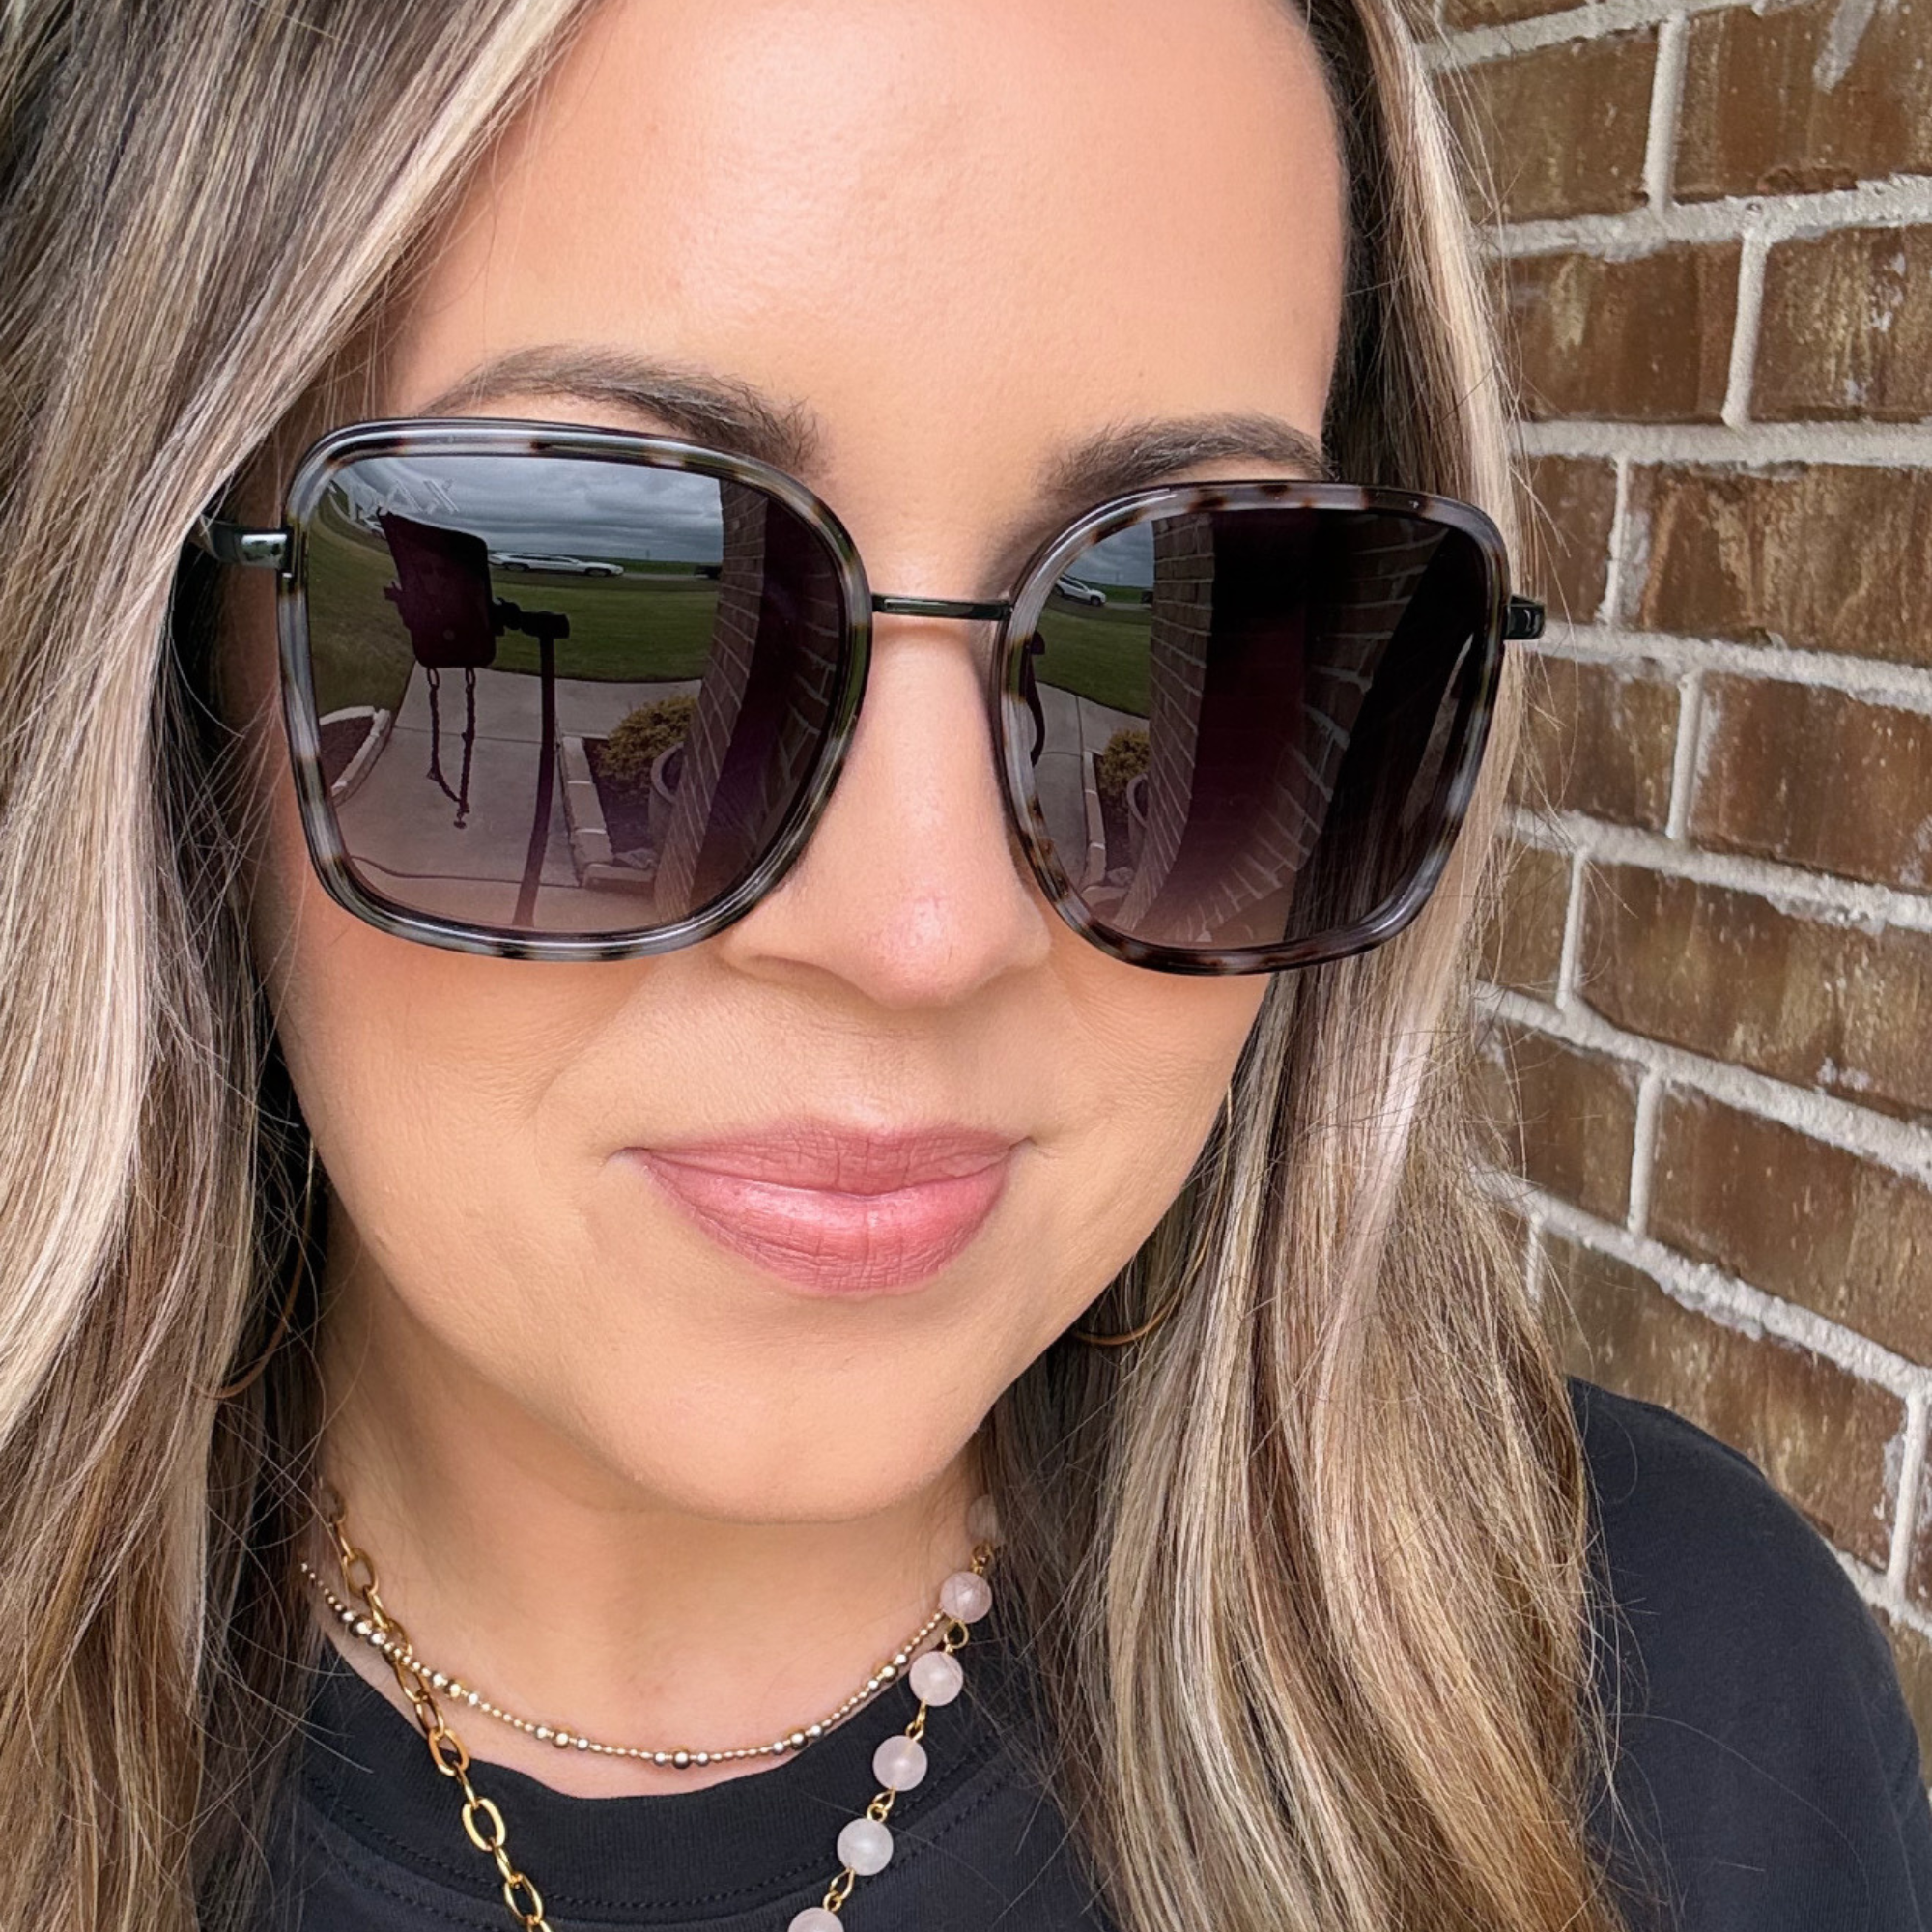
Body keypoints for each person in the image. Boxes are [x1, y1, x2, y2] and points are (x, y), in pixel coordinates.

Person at [0, 3, 1923, 1929]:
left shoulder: (1680, 1710)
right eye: (580, 610)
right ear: (170, 665)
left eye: (1199, 634)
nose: (927, 929)